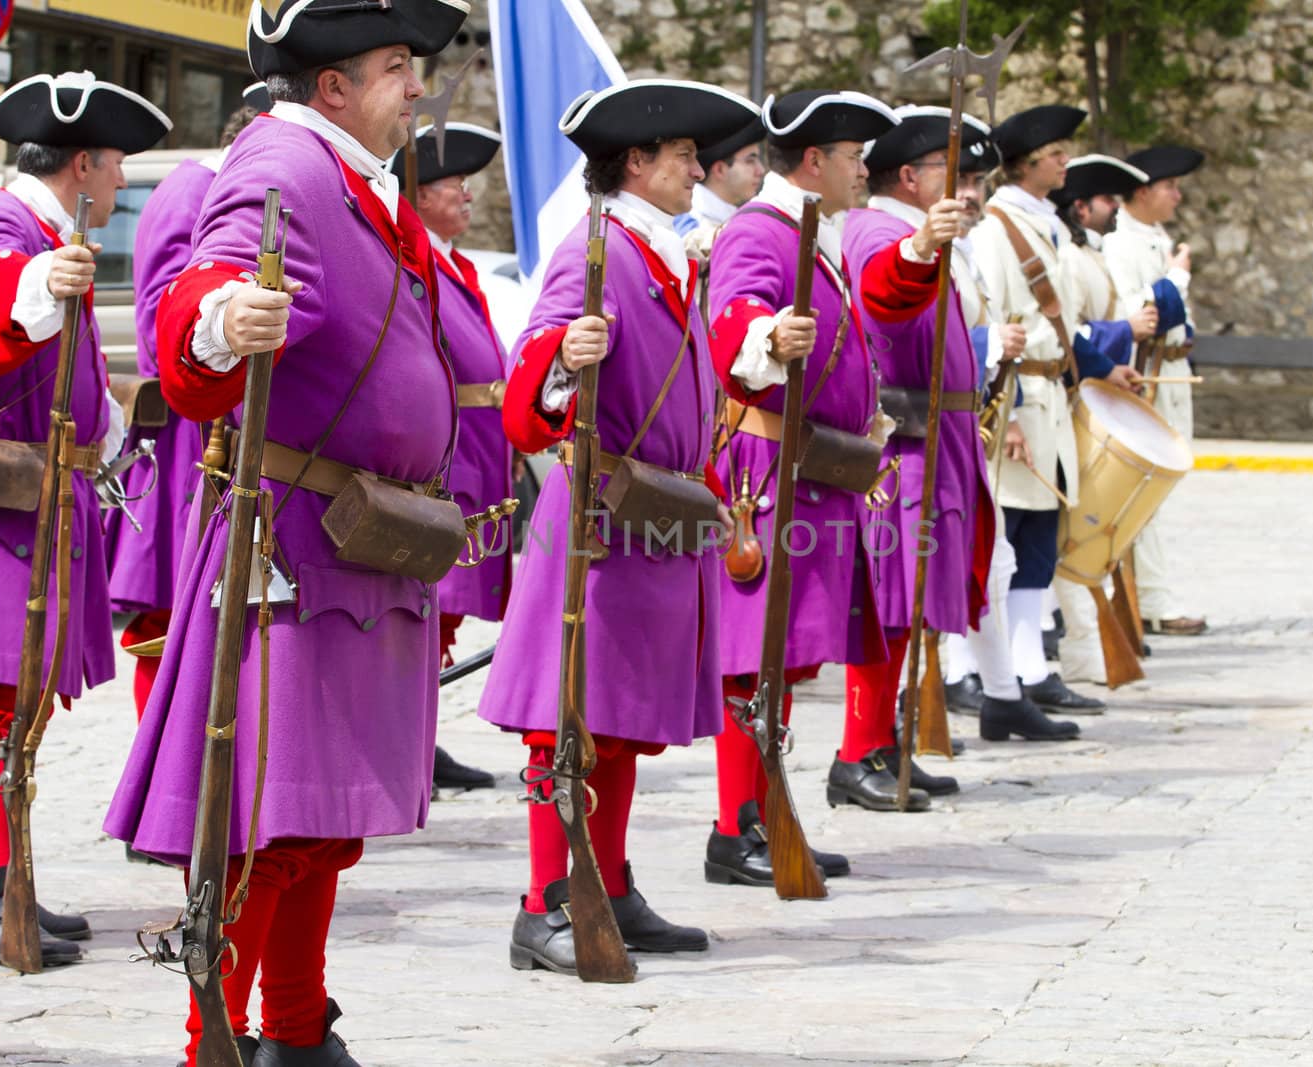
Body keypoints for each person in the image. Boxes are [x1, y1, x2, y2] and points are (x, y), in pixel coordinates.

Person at [104, 0, 469, 1060]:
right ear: (333, 87)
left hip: (355, 541)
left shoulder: (348, 173)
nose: (416, 86)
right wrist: (220, 321)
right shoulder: (283, 166)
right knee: (259, 827)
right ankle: (207, 1043)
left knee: (314, 826)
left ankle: (298, 1032)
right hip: (296, 546)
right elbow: (202, 295)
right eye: (397, 67)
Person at [478, 79, 759, 972]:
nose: (696, 170)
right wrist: (562, 356)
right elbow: (527, 406)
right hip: (598, 519)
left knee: (621, 716)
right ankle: (546, 901)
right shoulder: (593, 251)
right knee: (566, 719)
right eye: (683, 157)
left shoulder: (665, 251)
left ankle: (609, 882)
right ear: (637, 162)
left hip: (659, 516)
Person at [0, 70, 168, 967]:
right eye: (117, 162)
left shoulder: (49, 231)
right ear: (82, 161)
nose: (123, 180)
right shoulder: (2, 225)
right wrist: (36, 287)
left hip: (40, 501)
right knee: (0, 703)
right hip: (1, 503)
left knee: (19, 703)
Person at [706, 87, 927, 892]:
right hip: (769, 479)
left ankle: (764, 810)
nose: (863, 171)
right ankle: (739, 825)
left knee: (786, 659)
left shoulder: (815, 234)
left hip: (815, 472)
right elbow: (733, 317)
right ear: (813, 161)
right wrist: (769, 334)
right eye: (853, 158)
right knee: (752, 661)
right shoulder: (760, 231)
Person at [970, 105, 1141, 727]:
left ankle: (1031, 672)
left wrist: (1095, 366)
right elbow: (990, 324)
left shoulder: (1040, 223)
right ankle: (997, 674)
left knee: (1038, 541)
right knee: (1006, 541)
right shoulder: (998, 229)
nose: (1065, 162)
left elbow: (1058, 323)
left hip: (1049, 397)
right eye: (1054, 153)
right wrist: (1005, 413)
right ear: (1024, 162)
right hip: (1020, 399)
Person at [841, 105, 993, 795]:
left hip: (939, 439)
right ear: (909, 176)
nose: (964, 189)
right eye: (952, 174)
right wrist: (921, 251)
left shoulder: (912, 231)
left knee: (910, 601)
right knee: (889, 602)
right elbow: (882, 300)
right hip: (902, 446)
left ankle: (883, 740)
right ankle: (859, 751)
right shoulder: (881, 232)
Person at [105, 89, 269, 726]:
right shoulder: (191, 191)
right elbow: (160, 333)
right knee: (172, 621)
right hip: (187, 446)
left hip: (214, 440)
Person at [389, 120, 510, 793]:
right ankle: (407, 741)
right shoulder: (416, 258)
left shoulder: (451, 259)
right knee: (429, 599)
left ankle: (421, 739)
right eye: (452, 181)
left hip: (477, 449)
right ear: (417, 192)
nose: (467, 193)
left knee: (447, 610)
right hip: (448, 450)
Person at [1047, 153, 1157, 687]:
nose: (1117, 209)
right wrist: (1122, 339)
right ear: (1081, 206)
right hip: (1068, 401)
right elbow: (1076, 337)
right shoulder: (1066, 259)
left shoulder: (1087, 255)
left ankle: (1093, 646)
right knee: (1074, 531)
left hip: (1091, 394)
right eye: (1108, 200)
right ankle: (1082, 650)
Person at [1104, 144, 1207, 637]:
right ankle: (1152, 603)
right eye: (1169, 186)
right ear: (1142, 192)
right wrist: (1179, 277)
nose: (1177, 196)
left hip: (1170, 373)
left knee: (1160, 493)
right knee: (1146, 493)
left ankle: (1150, 596)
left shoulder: (1154, 236)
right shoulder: (1120, 244)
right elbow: (1138, 313)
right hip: (1144, 373)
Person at [674, 116, 765, 256]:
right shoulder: (688, 220)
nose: (760, 170)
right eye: (750, 161)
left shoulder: (734, 215)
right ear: (720, 170)